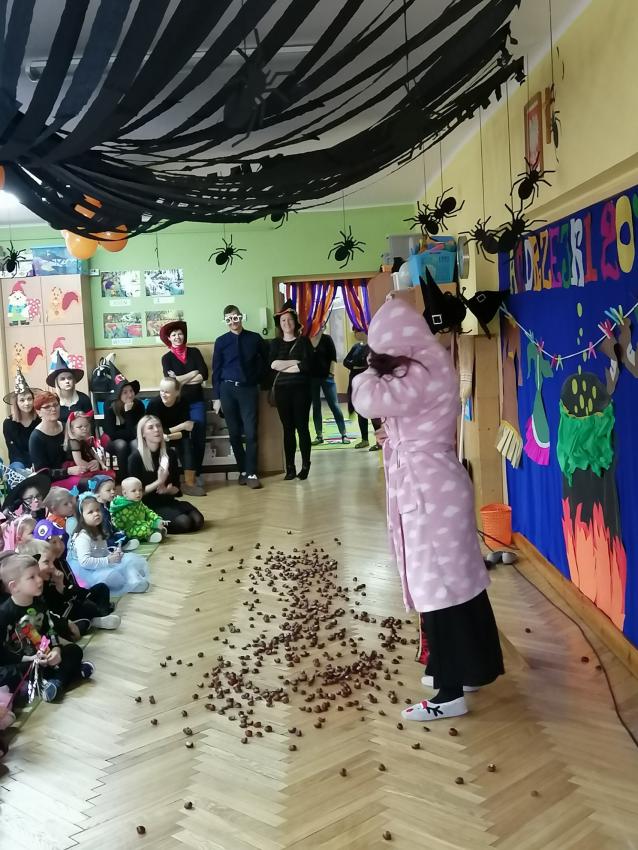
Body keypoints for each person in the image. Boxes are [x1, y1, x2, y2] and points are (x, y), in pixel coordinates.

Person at [352, 298, 504, 721]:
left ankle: (448, 693)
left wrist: (367, 368)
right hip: (435, 482)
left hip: (429, 490)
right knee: (459, 582)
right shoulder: (428, 363)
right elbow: (409, 418)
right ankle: (471, 668)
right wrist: (395, 436)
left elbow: (365, 399)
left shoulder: (417, 369)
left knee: (437, 588)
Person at [0, 554, 94, 702]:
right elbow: (3, 652)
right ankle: (66, 676)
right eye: (32, 577)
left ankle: (55, 683)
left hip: (45, 655)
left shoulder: (39, 603)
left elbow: (50, 629)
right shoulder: (4, 613)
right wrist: (30, 659)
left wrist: (56, 649)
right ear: (14, 586)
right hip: (24, 662)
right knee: (14, 674)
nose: (39, 580)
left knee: (74, 650)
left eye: (38, 574)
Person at [212, 304, 268, 489]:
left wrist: (258, 379)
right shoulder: (221, 341)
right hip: (227, 390)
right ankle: (243, 470)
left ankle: (252, 472)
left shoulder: (255, 338)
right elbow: (216, 371)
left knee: (251, 432)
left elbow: (266, 360)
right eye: (229, 319)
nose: (233, 321)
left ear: (241, 317)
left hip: (249, 390)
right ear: (225, 321)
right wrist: (216, 397)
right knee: (234, 434)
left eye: (235, 317)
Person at [31, 518, 120, 631]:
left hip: (74, 595)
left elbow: (73, 585)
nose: (59, 546)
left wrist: (84, 594)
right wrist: (68, 590)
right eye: (53, 542)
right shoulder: (45, 571)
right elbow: (58, 601)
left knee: (102, 588)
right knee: (86, 608)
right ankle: (98, 616)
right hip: (66, 605)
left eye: (61, 540)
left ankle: (100, 615)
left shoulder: (61, 562)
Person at [128, 415, 205, 534]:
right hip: (148, 506)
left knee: (198, 520)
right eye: (151, 427)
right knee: (185, 522)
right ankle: (150, 524)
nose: (156, 430)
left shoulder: (170, 454)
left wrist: (167, 490)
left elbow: (177, 488)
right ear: (143, 434)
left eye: (158, 426)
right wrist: (159, 482)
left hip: (168, 501)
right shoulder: (135, 458)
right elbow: (135, 494)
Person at [68, 494, 149, 594]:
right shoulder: (82, 537)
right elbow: (85, 562)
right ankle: (129, 583)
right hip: (89, 570)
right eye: (90, 512)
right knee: (113, 576)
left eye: (98, 510)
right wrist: (108, 560)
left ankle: (134, 581)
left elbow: (103, 551)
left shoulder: (98, 530)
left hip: (101, 562)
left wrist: (113, 555)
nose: (96, 514)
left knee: (129, 560)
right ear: (81, 517)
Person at [159, 320, 208, 487]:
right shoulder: (166, 358)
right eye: (173, 335)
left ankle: (197, 473)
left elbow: (204, 375)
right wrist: (193, 373)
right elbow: (171, 381)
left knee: (199, 436)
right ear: (169, 338)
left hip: (197, 401)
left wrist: (181, 379)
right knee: (184, 439)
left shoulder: (194, 352)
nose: (177, 337)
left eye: (180, 334)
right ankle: (187, 475)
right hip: (178, 404)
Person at [269, 301, 314, 480]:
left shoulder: (304, 342)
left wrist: (284, 366)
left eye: (289, 320)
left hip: (301, 390)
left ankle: (305, 465)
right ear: (279, 324)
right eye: (283, 321)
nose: (286, 323)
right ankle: (290, 467)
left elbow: (307, 366)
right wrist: (295, 363)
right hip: (282, 391)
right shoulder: (275, 343)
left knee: (302, 427)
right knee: (288, 429)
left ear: (295, 322)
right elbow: (273, 364)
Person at [147, 377, 203, 496]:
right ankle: (166, 484)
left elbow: (186, 432)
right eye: (161, 391)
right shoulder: (154, 404)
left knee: (186, 444)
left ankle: (190, 484)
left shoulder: (183, 402)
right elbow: (155, 431)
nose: (163, 394)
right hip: (156, 438)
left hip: (175, 437)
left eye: (167, 392)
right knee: (165, 449)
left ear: (177, 393)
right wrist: (182, 426)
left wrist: (168, 435)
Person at [29, 392, 89, 490]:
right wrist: (68, 471)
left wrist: (92, 462)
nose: (53, 409)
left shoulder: (66, 427)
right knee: (90, 483)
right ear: (38, 412)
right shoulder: (36, 438)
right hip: (54, 482)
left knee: (102, 479)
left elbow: (81, 452)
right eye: (47, 407)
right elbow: (42, 472)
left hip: (76, 473)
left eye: (56, 405)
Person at [309, 326, 350, 446]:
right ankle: (319, 435)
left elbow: (333, 358)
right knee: (316, 407)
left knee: (334, 405)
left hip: (327, 378)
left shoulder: (327, 339)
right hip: (312, 378)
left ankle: (343, 434)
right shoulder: (306, 340)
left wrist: (331, 374)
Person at [344, 329, 382, 451]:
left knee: (373, 412)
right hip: (355, 382)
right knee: (360, 411)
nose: (355, 334)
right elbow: (346, 361)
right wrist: (354, 364)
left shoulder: (371, 347)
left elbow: (366, 362)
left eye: (356, 331)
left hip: (367, 383)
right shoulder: (356, 347)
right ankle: (364, 439)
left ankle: (380, 441)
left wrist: (356, 364)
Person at [102, 377, 145, 482]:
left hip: (132, 437)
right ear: (118, 394)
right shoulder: (110, 405)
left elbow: (137, 431)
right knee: (121, 444)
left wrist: (128, 412)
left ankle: (137, 479)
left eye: (131, 391)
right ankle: (123, 480)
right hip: (113, 440)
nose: (130, 395)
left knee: (136, 444)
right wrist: (129, 433)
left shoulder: (139, 405)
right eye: (125, 392)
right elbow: (111, 433)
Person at [2, 369, 41, 469]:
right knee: (16, 467)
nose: (26, 403)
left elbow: (43, 446)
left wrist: (36, 464)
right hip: (19, 462)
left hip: (39, 460)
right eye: (22, 400)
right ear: (16, 403)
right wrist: (26, 469)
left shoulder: (40, 420)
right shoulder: (8, 423)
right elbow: (14, 451)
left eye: (29, 399)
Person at [89, 474, 138, 550]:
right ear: (97, 492)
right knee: (112, 541)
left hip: (110, 533)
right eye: (108, 490)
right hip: (104, 538)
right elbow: (105, 530)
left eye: (114, 489)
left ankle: (121, 544)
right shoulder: (99, 510)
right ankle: (118, 547)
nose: (113, 492)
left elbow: (111, 524)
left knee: (125, 533)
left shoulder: (106, 505)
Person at [110, 477, 166, 544]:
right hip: (128, 530)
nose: (138, 493)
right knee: (147, 528)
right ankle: (150, 536)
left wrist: (157, 520)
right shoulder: (122, 508)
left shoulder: (138, 502)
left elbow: (148, 512)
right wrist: (152, 524)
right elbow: (128, 524)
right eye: (134, 491)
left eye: (140, 490)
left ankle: (155, 533)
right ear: (125, 493)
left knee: (154, 523)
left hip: (140, 525)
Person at [46, 353, 92, 425]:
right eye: (62, 379)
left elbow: (91, 422)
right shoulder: (52, 402)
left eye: (69, 378)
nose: (67, 381)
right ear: (57, 382)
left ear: (74, 380)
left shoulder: (84, 399)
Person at [64, 411, 112, 477]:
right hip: (78, 468)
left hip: (87, 465)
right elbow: (78, 461)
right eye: (80, 427)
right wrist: (91, 467)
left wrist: (102, 464)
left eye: (86, 425)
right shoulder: (74, 442)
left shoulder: (84, 440)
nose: (84, 428)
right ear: (72, 429)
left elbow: (93, 453)